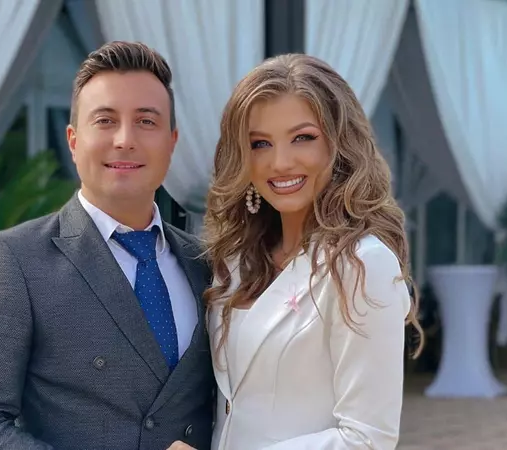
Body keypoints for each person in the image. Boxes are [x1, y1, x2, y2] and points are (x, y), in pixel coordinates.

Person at [0, 41, 215, 450]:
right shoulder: (13, 261)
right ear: (73, 140)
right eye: (105, 120)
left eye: (146, 121)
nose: (124, 139)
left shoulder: (206, 264)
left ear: (172, 141)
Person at [181, 54, 424, 450]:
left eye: (303, 138)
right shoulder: (235, 260)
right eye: (260, 143)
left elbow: (367, 439)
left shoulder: (363, 264)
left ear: (338, 144)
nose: (280, 163)